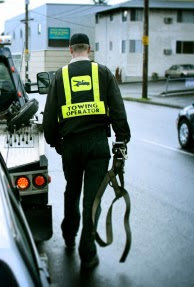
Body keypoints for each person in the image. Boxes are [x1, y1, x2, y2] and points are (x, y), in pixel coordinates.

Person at [43, 33, 131, 269]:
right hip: (97, 145)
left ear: (70, 50)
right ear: (89, 49)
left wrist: (56, 142)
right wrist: (122, 140)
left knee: (72, 192)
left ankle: (69, 235)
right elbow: (118, 108)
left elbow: (50, 117)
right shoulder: (103, 72)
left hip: (71, 145)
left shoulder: (59, 76)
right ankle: (88, 253)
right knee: (92, 200)